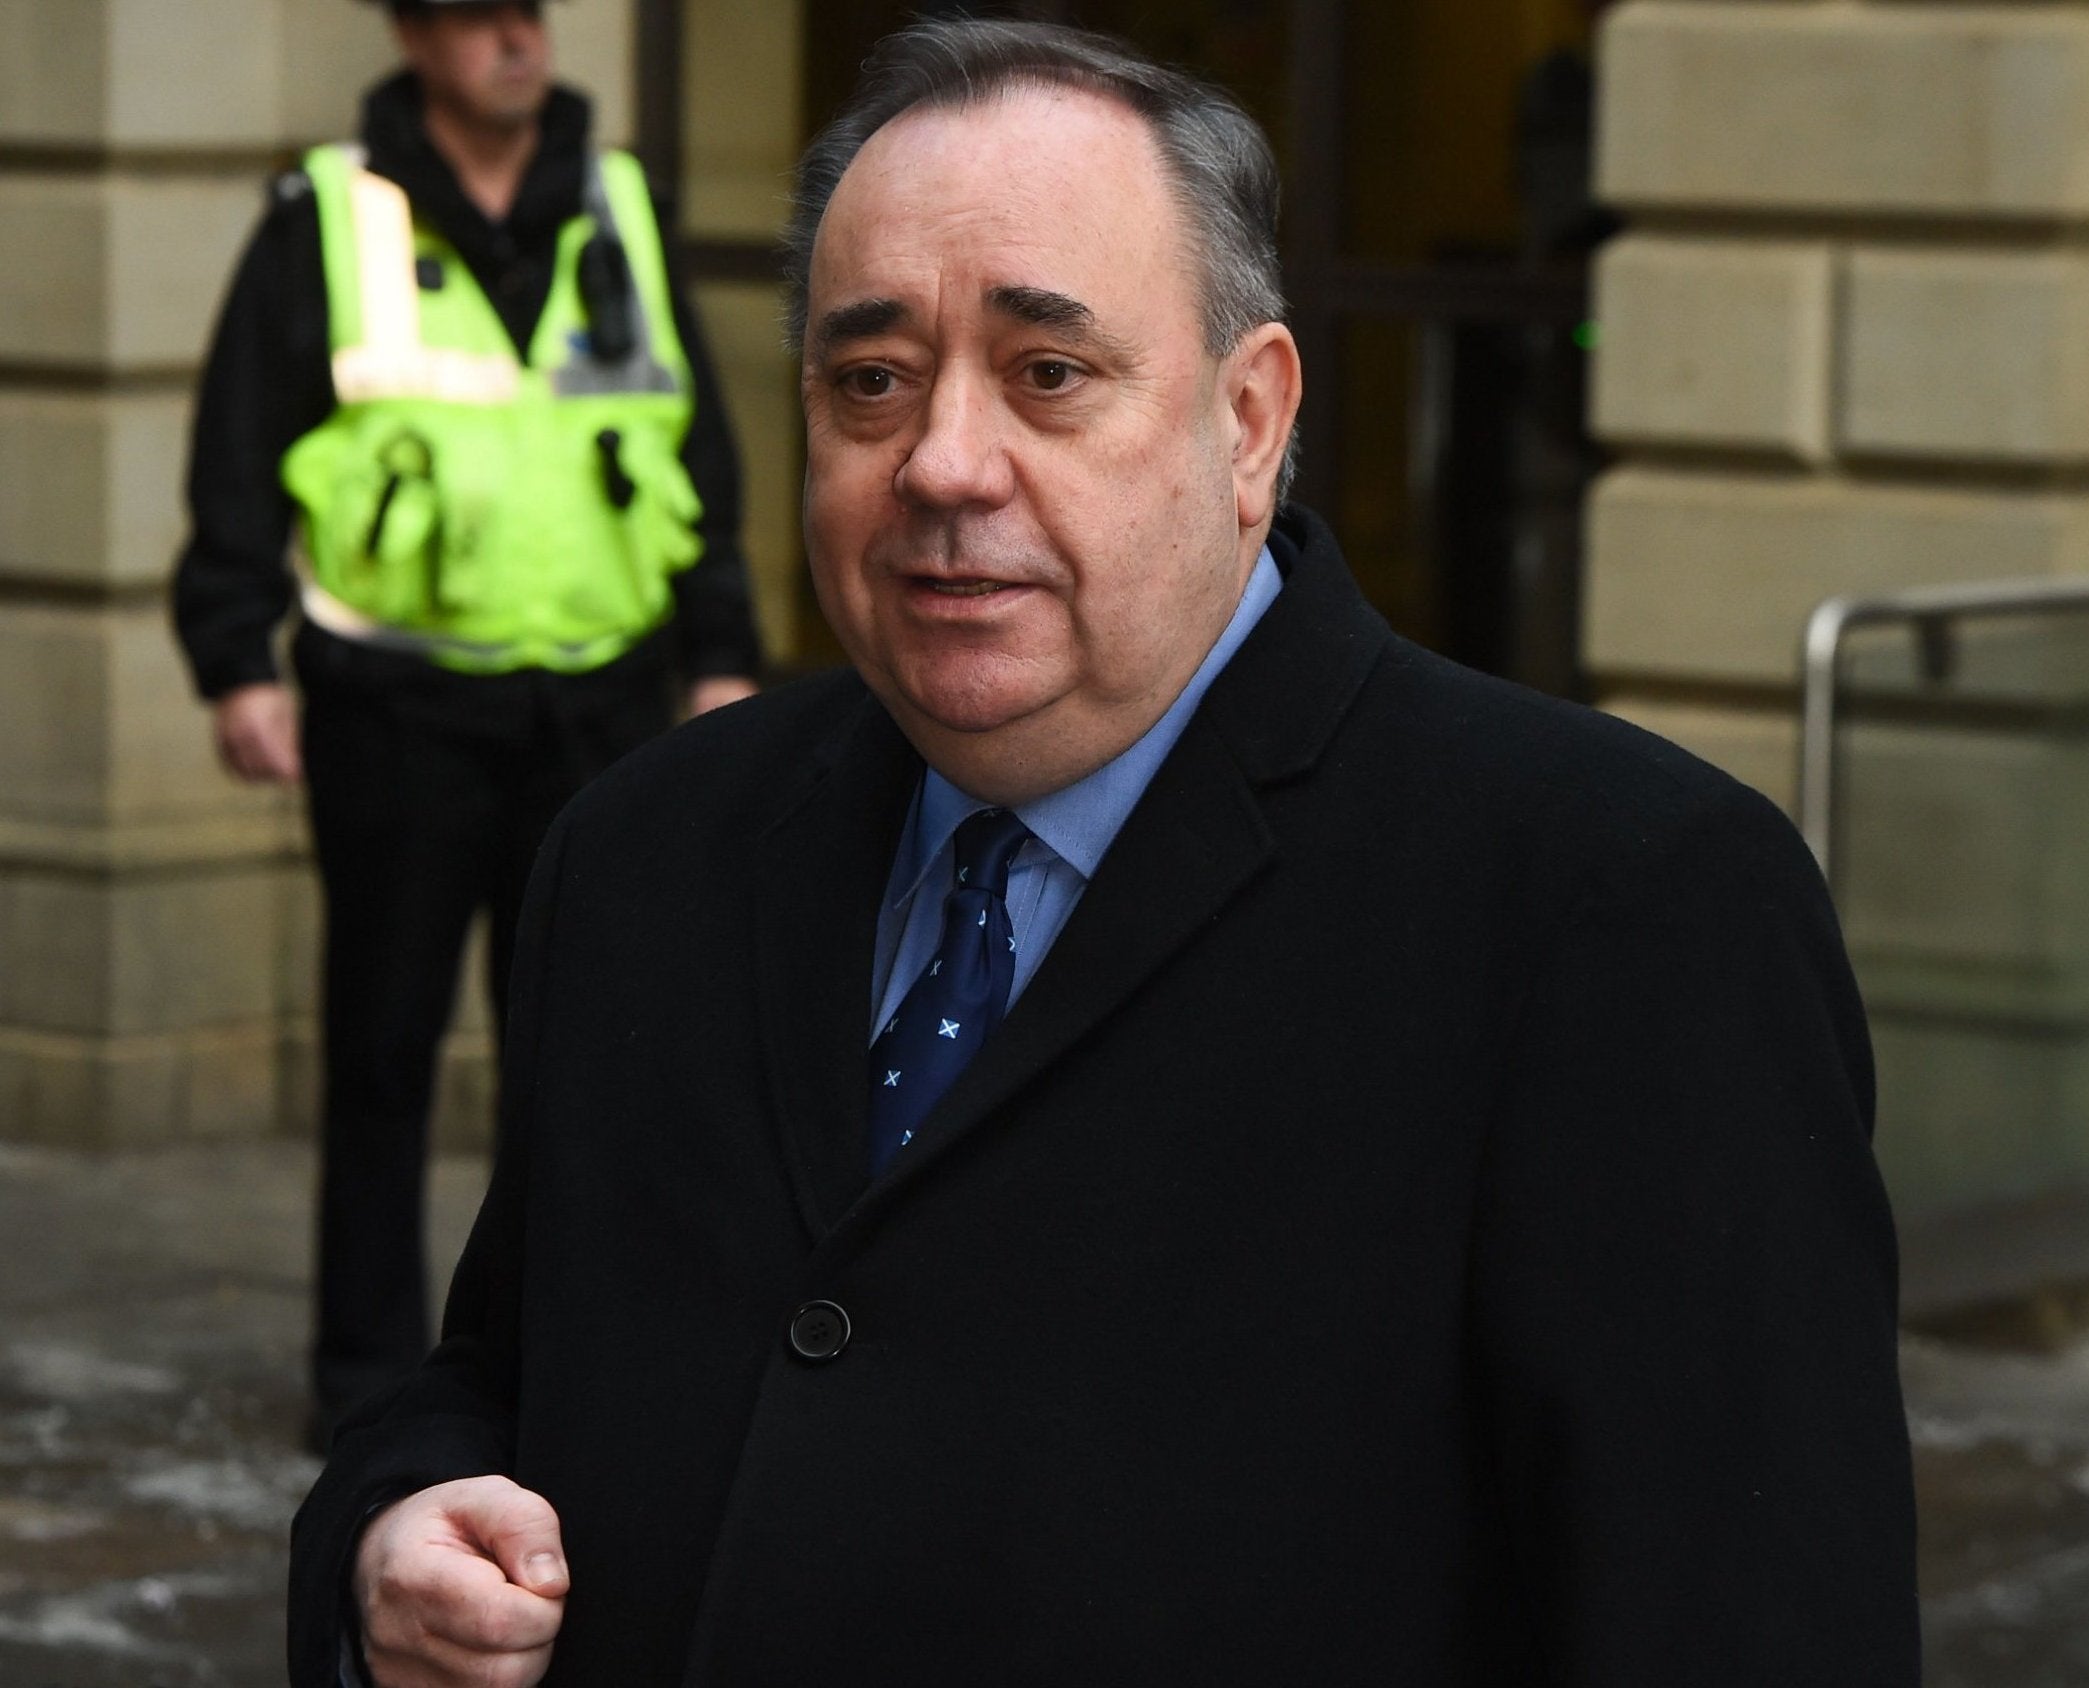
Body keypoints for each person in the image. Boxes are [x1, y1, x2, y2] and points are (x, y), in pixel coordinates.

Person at [288, 19, 1919, 1687]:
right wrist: (391, 1527)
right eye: (871, 381)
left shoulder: (1622, 910)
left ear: (1251, 421)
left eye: (1048, 373)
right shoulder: (648, 852)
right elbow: (500, 1369)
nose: (940, 463)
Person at [170, 0, 762, 1454]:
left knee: (587, 1047)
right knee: (383, 1051)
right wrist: (234, 655)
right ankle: (368, 1386)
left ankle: (560, 1363)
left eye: (527, 12)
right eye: (475, 15)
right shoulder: (329, 216)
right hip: (401, 709)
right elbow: (241, 440)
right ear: (413, 38)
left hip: (603, 700)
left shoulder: (619, 201)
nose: (514, 39)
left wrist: (722, 653)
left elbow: (693, 442)